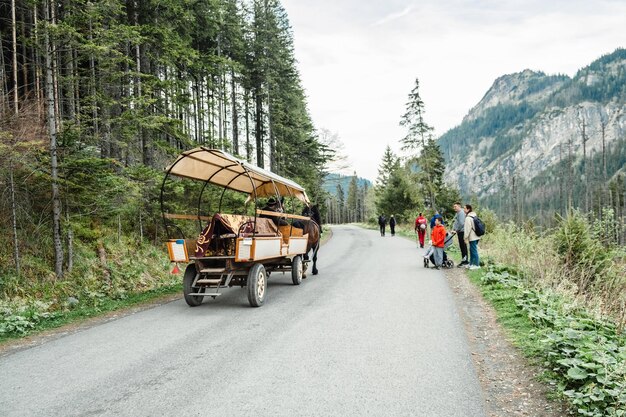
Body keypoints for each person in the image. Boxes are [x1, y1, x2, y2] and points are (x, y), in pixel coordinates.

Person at [463, 204, 481, 270]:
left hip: (472, 237)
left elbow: (467, 229)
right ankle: (471, 264)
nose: (463, 209)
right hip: (476, 236)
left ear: (468, 209)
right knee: (471, 250)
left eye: (464, 208)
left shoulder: (468, 218)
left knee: (473, 251)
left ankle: (476, 265)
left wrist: (465, 238)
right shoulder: (474, 216)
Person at [451, 202, 468, 267]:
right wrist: (454, 229)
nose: (454, 208)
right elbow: (456, 222)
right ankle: (464, 260)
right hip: (459, 231)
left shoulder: (461, 213)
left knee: (463, 246)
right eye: (454, 207)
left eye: (455, 206)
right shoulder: (457, 213)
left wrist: (456, 230)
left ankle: (465, 261)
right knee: (462, 246)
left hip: (462, 232)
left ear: (459, 206)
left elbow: (461, 223)